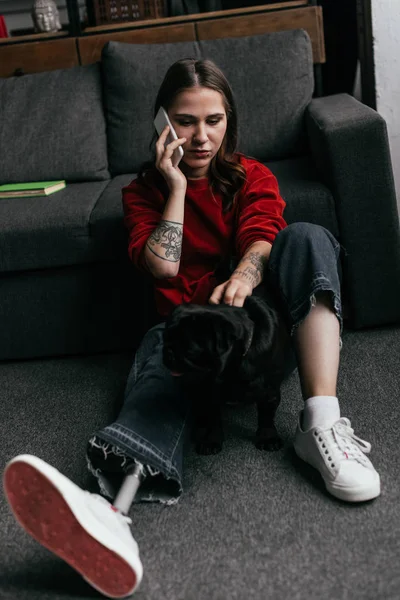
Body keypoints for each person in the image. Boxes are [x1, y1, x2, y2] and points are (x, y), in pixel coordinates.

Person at [3, 58, 380, 599]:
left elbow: (263, 233)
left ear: (230, 122)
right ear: (162, 124)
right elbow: (164, 268)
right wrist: (175, 187)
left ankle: (321, 424)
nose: (201, 137)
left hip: (257, 332)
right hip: (183, 330)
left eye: (214, 120)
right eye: (185, 121)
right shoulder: (141, 194)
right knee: (154, 387)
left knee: (310, 236)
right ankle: (111, 511)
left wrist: (247, 276)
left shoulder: (253, 174)